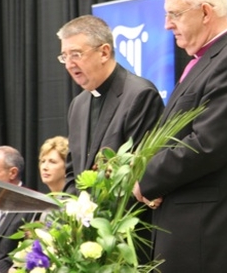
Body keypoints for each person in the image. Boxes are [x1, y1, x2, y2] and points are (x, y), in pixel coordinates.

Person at [132, 0, 227, 273]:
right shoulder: (205, 62)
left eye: (175, 14)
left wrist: (146, 179)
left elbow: (207, 144)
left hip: (208, 236)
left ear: (205, 12)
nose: (167, 24)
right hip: (190, 232)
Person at [56, 15, 165, 193]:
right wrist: (71, 213)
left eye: (76, 54)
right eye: (64, 56)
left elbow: (141, 172)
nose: (69, 64)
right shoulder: (78, 105)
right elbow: (72, 173)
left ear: (104, 53)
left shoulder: (140, 95)